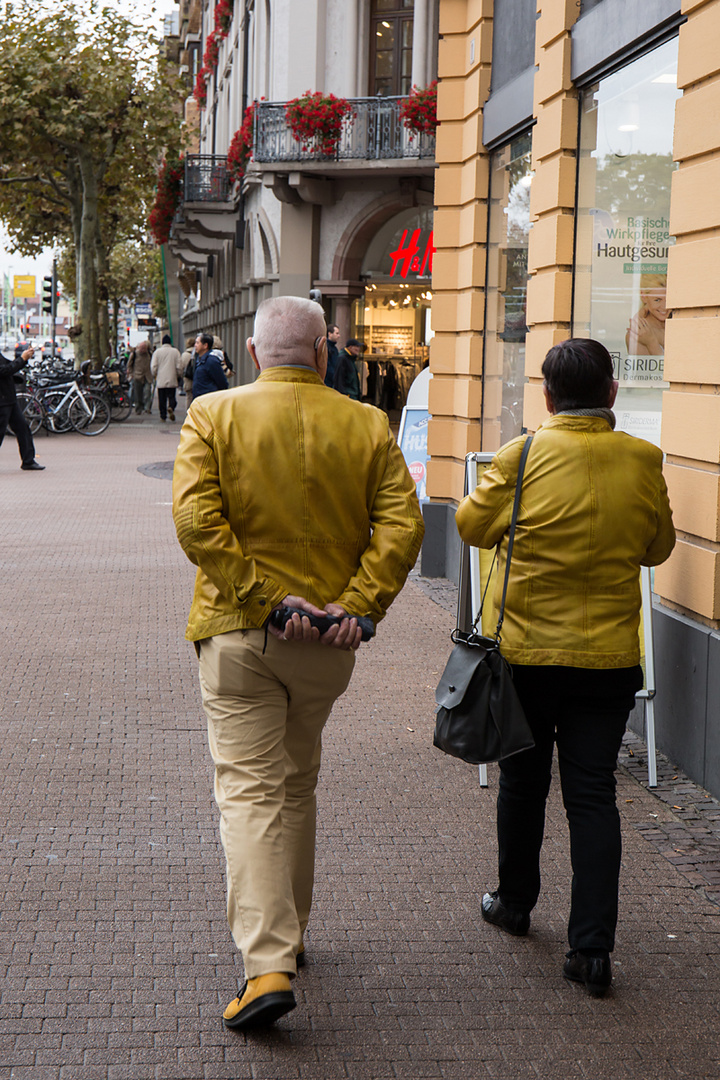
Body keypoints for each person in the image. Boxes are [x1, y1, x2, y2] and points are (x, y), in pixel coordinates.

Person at [172, 296, 424, 1030]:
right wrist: (355, 604)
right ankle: (294, 928)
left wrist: (265, 602)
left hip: (242, 633)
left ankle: (267, 963)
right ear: (322, 353)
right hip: (329, 643)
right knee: (296, 781)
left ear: (252, 355)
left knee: (249, 792)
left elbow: (196, 521)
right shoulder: (367, 422)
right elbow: (402, 524)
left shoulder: (214, 416)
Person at [455, 338, 675, 998]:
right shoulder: (642, 458)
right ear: (611, 392)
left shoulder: (523, 456)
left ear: (547, 397)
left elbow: (468, 525)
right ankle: (592, 951)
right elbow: (657, 546)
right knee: (593, 795)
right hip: (607, 660)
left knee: (524, 785)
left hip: (524, 657)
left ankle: (515, 905)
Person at [0, 345, 44, 471]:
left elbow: (8, 366)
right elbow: (4, 371)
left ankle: (28, 460)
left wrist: (23, 358)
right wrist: (22, 359)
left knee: (23, 428)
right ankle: (28, 460)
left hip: (8, 399)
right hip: (2, 400)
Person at [625, 273, 667, 356]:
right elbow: (650, 368)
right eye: (657, 300)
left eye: (668, 299)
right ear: (644, 297)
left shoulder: (679, 324)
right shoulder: (638, 333)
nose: (664, 307)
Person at [151, 334, 184, 422]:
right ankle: (171, 407)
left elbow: (153, 366)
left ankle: (163, 416)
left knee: (162, 399)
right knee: (172, 397)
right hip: (172, 378)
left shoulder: (157, 352)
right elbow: (179, 366)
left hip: (161, 379)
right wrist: (179, 374)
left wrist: (155, 374)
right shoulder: (175, 351)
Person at [192, 332, 228, 399]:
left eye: (197, 343)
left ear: (205, 345)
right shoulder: (199, 360)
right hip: (200, 398)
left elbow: (221, 382)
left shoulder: (211, 361)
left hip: (208, 399)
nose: (195, 345)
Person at [127, 340, 153, 414]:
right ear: (138, 348)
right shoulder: (134, 354)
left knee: (147, 392)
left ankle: (147, 408)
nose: (143, 350)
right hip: (137, 376)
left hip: (147, 376)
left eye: (144, 348)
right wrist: (131, 374)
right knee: (138, 394)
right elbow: (129, 365)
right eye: (142, 348)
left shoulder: (149, 354)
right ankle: (138, 408)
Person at [324, 323, 340, 387]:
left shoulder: (334, 348)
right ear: (330, 334)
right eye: (337, 333)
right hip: (328, 383)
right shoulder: (326, 347)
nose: (339, 336)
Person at [181, 336, 195, 404]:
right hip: (196, 378)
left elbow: (181, 367)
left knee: (188, 397)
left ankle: (188, 412)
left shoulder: (184, 355)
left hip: (187, 378)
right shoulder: (197, 354)